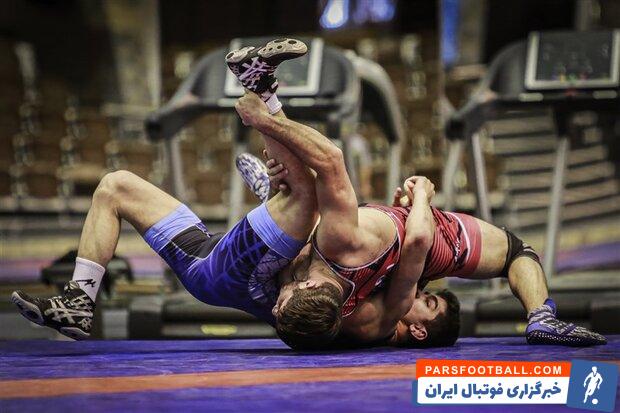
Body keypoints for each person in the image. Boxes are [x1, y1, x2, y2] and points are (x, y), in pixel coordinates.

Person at [10, 38, 323, 340]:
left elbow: (329, 165)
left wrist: (263, 119)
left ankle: (263, 91)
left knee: (304, 195)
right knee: (115, 187)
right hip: (212, 256)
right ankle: (78, 302)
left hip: (226, 274)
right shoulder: (335, 280)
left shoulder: (318, 300)